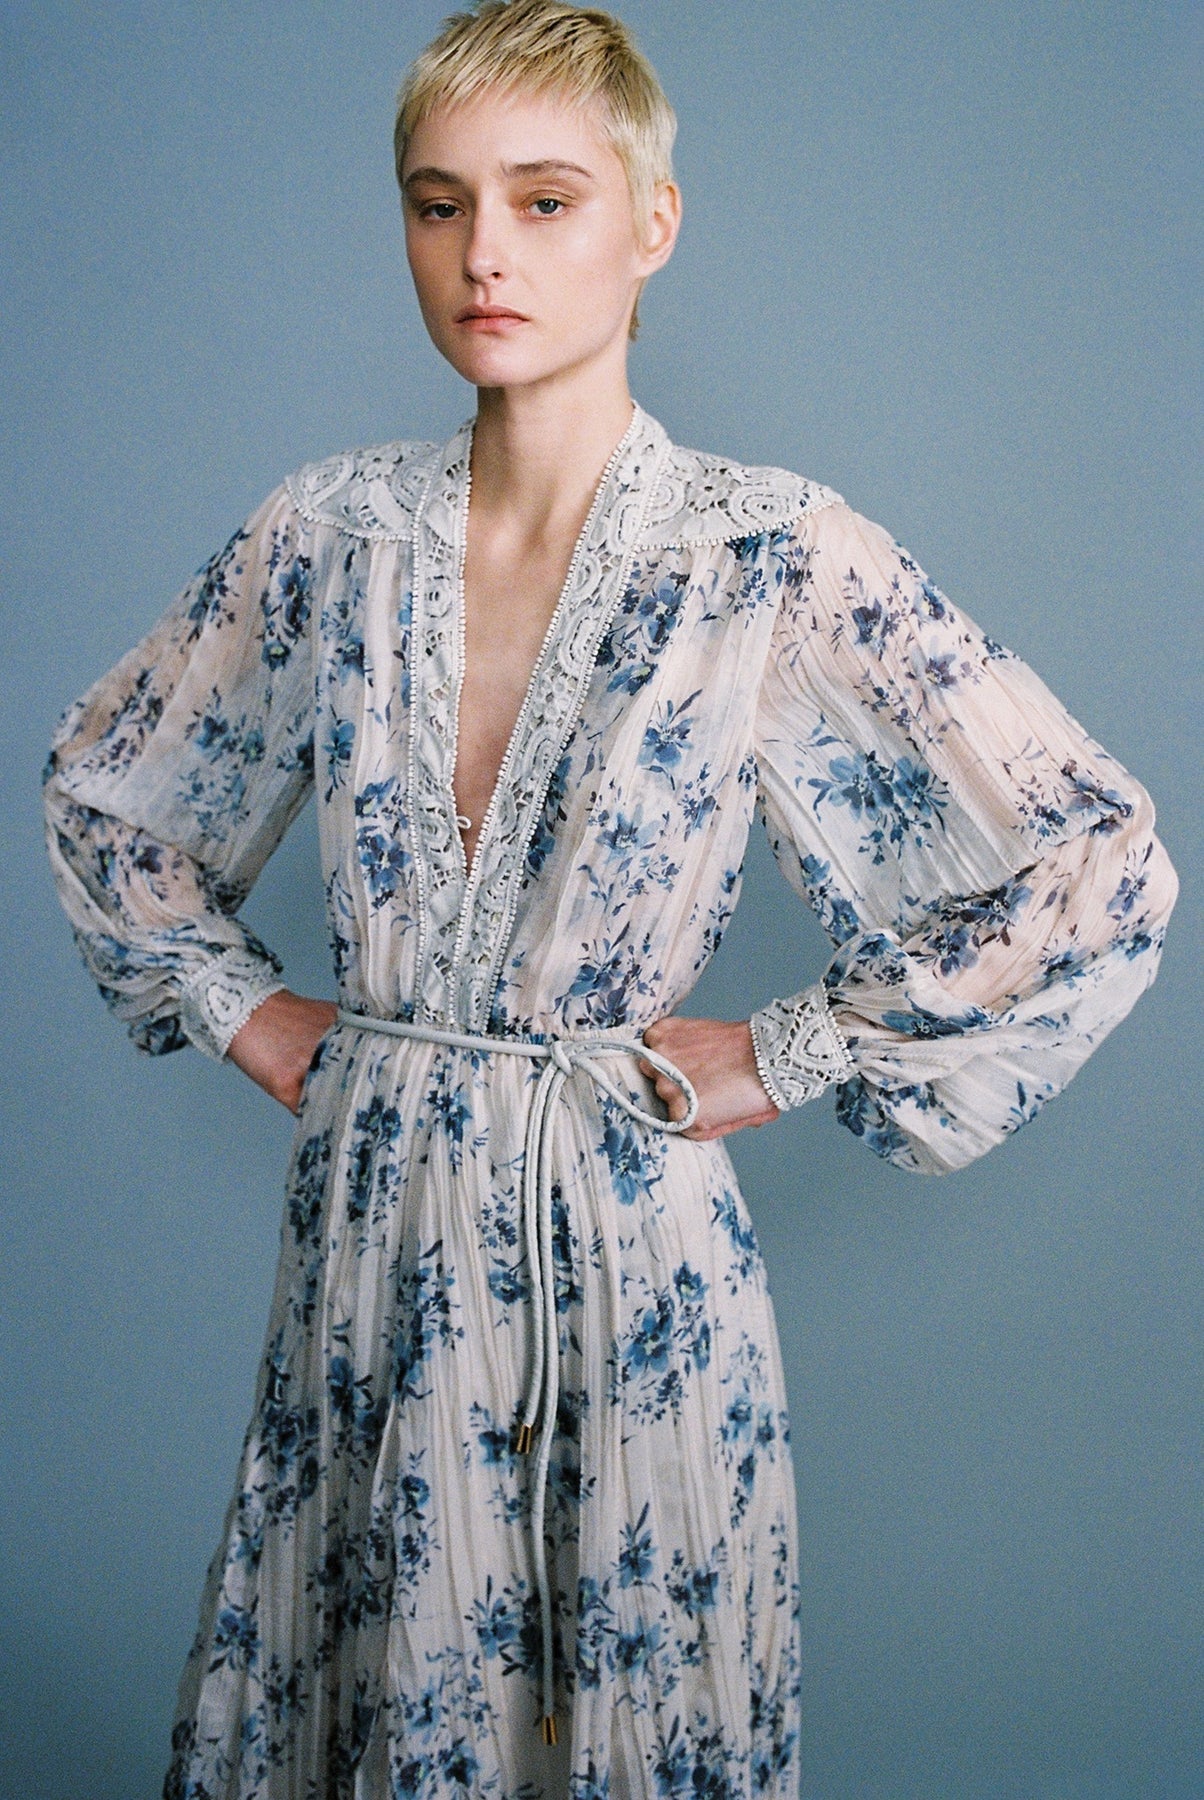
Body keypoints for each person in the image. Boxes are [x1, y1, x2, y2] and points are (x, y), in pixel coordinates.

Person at [42, 1, 1177, 1795]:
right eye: (438, 203)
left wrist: (790, 1050)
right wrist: (249, 1013)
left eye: (545, 200)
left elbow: (1096, 858)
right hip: (372, 1258)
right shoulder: (330, 535)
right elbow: (113, 795)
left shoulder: (767, 556)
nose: (483, 252)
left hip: (631, 1264)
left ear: (653, 223)